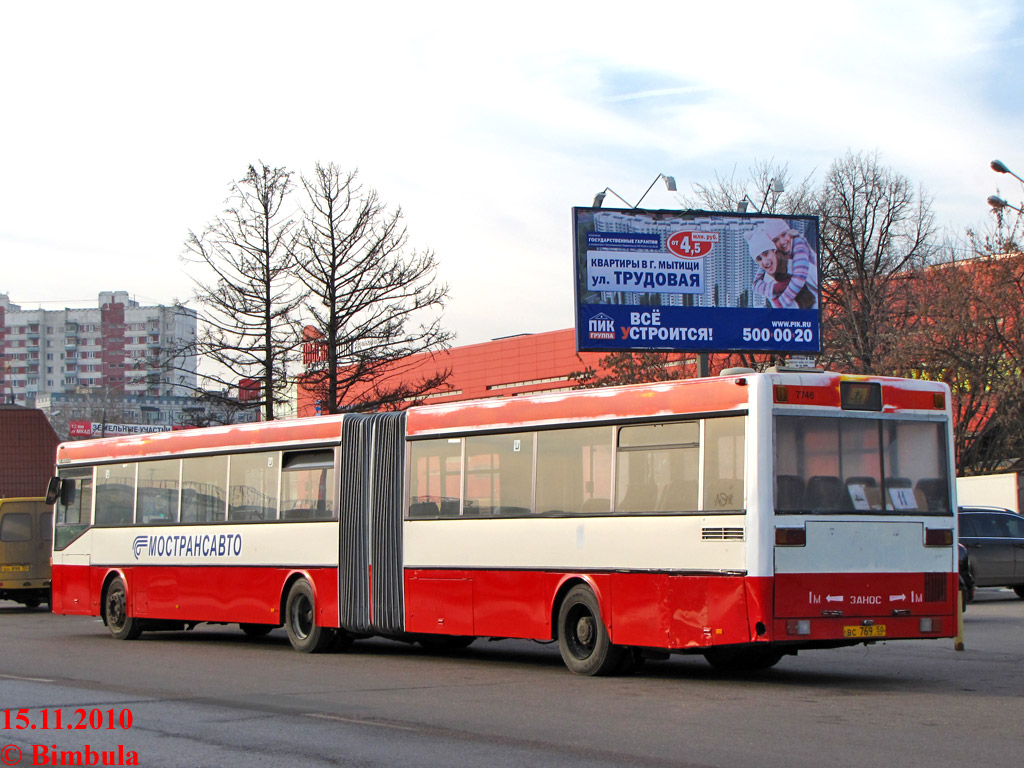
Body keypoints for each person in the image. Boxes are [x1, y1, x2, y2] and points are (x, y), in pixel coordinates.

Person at [761, 219, 818, 309]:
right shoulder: (770, 274)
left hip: (814, 312)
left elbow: (817, 280)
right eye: (776, 240)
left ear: (789, 233)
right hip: (800, 318)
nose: (782, 242)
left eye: (784, 234)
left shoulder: (803, 251)